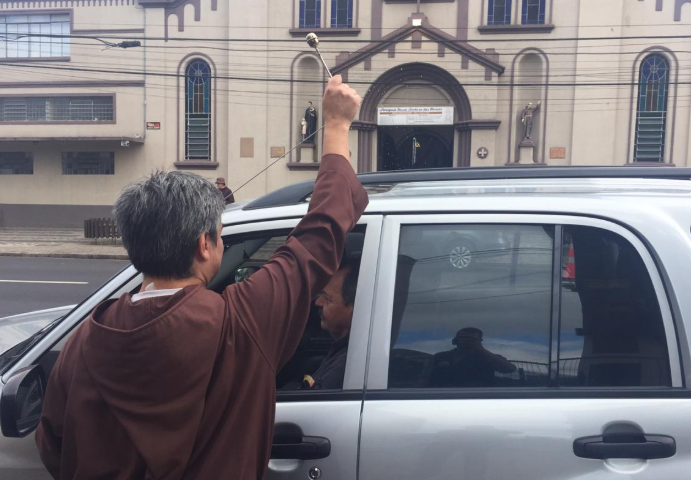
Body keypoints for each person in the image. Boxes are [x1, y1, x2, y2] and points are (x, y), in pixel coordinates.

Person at [34, 75, 366, 480]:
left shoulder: (86, 339)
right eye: (221, 236)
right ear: (204, 245)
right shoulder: (241, 320)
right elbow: (323, 230)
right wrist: (336, 127)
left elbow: (53, 444)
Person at [301, 255, 360, 390]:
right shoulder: (347, 350)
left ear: (353, 306)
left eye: (327, 298)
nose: (317, 302)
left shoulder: (343, 371)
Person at [430, 327, 516, 388]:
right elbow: (424, 379)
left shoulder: (489, 357)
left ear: (480, 341)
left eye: (471, 339)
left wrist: (481, 350)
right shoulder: (440, 357)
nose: (466, 341)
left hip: (480, 398)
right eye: (463, 338)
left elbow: (510, 369)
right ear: (455, 340)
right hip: (443, 397)